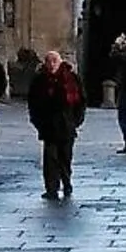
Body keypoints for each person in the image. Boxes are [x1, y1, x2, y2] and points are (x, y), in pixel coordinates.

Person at [28, 47, 84, 198]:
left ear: (60, 62)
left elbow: (80, 101)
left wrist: (76, 121)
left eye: (54, 61)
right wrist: (37, 121)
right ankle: (51, 188)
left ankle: (66, 183)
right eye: (48, 61)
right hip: (48, 126)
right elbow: (33, 102)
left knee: (65, 157)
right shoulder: (40, 80)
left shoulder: (71, 78)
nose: (51, 64)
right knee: (50, 159)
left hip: (66, 125)